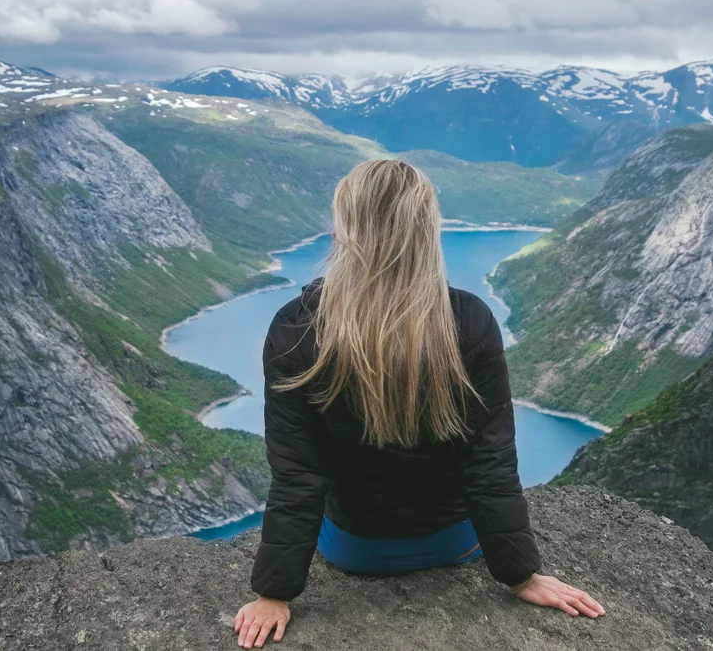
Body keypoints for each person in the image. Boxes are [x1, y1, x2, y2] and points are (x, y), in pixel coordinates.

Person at [233, 159, 605, 649]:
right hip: (458, 542)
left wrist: (274, 592)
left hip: (353, 550)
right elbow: (489, 465)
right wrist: (522, 576)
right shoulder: (469, 321)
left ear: (346, 227)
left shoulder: (298, 326)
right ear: (428, 227)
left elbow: (299, 473)